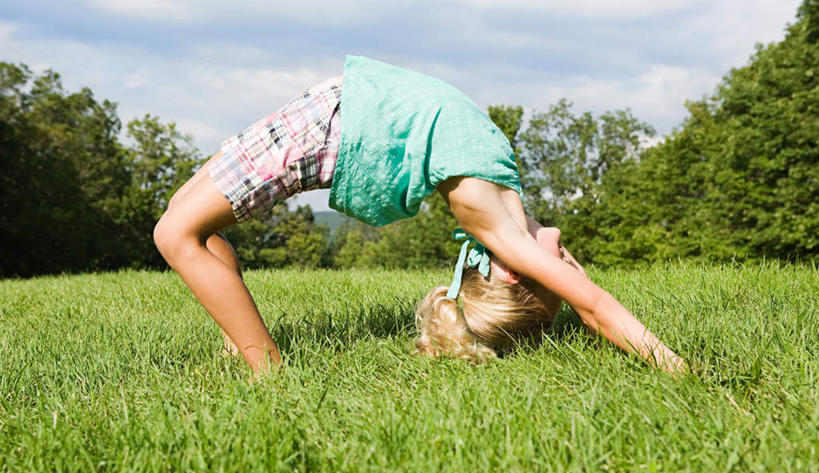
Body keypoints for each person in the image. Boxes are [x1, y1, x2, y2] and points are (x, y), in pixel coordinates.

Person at [153, 56, 687, 377]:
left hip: (330, 129)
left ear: (514, 272)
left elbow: (592, 306)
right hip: (335, 107)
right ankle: (236, 338)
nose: (568, 252)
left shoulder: (494, 223)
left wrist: (676, 367)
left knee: (174, 233)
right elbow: (582, 292)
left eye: (564, 265)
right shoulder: (509, 202)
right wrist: (566, 282)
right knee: (188, 217)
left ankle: (265, 373)